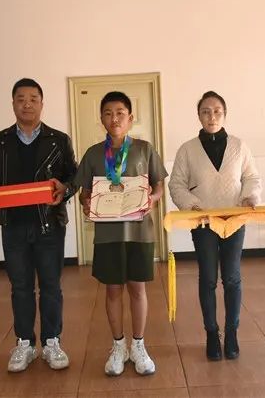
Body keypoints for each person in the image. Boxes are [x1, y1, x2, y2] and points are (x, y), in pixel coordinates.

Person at [0, 78, 78, 373]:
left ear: (42, 104)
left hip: (49, 225)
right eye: (21, 99)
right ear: (13, 104)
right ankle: (24, 343)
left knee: (50, 286)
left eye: (33, 99)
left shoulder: (59, 140)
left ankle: (51, 342)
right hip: (13, 226)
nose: (27, 104)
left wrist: (66, 189)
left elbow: (73, 176)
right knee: (20, 287)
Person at [74, 91, 167, 376]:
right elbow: (84, 192)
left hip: (139, 233)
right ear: (101, 119)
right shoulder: (93, 154)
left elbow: (159, 185)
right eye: (108, 113)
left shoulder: (144, 149)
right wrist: (86, 202)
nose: (114, 118)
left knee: (138, 289)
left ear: (130, 118)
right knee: (113, 290)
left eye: (120, 113)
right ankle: (118, 347)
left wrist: (152, 199)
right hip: (107, 235)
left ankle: (138, 346)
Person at [168, 90, 262, 361]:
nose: (212, 116)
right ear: (199, 116)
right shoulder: (187, 149)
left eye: (217, 111)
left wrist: (250, 197)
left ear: (225, 114)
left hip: (234, 220)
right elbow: (176, 184)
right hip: (203, 222)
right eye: (206, 112)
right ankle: (211, 332)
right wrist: (191, 204)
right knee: (208, 278)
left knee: (232, 277)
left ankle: (232, 333)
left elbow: (251, 177)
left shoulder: (239, 146)